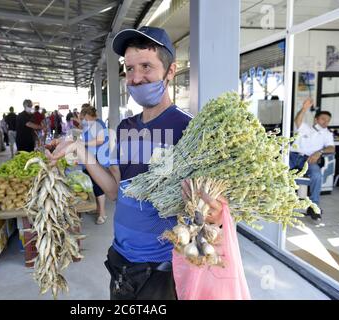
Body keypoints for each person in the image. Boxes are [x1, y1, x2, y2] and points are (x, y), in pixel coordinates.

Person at [47, 26, 224, 300]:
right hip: (120, 258)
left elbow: (209, 208)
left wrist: (213, 213)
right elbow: (116, 190)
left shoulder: (189, 129)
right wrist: (82, 152)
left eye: (146, 67)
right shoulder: (126, 127)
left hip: (161, 267)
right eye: (129, 69)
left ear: (171, 71)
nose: (136, 78)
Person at [290, 98, 335, 221]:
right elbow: (297, 120)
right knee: (278, 171)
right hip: (292, 156)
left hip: (308, 159)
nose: (325, 122)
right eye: (323, 119)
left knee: (317, 175)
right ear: (316, 119)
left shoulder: (327, 134)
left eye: (328, 120)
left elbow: (331, 148)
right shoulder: (305, 127)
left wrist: (320, 151)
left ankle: (313, 206)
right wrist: (304, 109)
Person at [79, 106, 110, 225]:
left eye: (86, 118)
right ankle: (97, 208)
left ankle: (102, 213)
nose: (85, 121)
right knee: (92, 184)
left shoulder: (99, 124)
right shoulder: (91, 124)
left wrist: (83, 143)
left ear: (91, 116)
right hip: (90, 157)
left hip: (98, 158)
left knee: (97, 185)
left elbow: (100, 141)